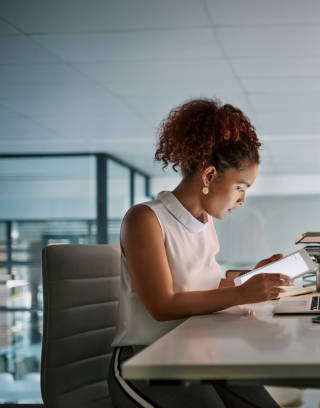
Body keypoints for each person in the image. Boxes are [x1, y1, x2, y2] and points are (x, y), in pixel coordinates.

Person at [108, 98, 291, 407]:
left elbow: (203, 288)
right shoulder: (145, 219)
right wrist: (240, 293)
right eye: (240, 187)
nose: (243, 199)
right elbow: (163, 305)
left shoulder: (204, 222)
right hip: (146, 358)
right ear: (209, 177)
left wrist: (250, 278)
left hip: (194, 349)